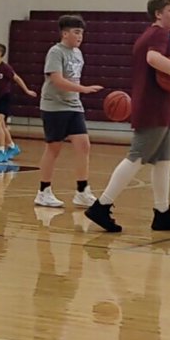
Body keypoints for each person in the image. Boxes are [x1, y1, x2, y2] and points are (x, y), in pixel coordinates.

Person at [85, 0, 170, 233]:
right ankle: (101, 206)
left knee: (163, 161)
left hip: (159, 105)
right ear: (158, 13)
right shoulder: (158, 34)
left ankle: (162, 212)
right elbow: (153, 58)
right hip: (153, 107)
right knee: (136, 157)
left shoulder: (149, 34)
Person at [34, 14, 103, 209]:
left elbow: (73, 79)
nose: (80, 36)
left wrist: (79, 93)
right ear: (65, 33)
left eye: (82, 32)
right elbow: (57, 80)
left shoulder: (78, 53)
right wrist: (84, 89)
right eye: (76, 32)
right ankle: (43, 192)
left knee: (84, 145)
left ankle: (82, 191)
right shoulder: (56, 52)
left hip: (73, 105)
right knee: (53, 148)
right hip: (54, 106)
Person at [0, 42, 37, 163]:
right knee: (2, 125)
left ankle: (1, 151)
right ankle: (13, 147)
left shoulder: (5, 68)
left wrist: (27, 90)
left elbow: (17, 78)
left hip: (4, 97)